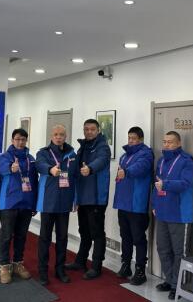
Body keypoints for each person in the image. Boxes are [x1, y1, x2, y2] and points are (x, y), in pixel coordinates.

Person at [152, 131, 193, 300]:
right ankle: (170, 280)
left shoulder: (187, 161)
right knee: (163, 248)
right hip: (162, 211)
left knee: (179, 252)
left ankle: (179, 286)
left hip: (179, 213)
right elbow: (156, 184)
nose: (166, 145)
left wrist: (166, 184)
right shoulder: (161, 160)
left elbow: (186, 183)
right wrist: (154, 204)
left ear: (178, 143)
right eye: (164, 142)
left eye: (170, 142)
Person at [65, 119, 111, 280]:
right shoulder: (83, 146)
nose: (89, 132)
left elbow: (101, 161)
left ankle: (96, 266)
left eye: (92, 129)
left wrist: (90, 168)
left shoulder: (103, 146)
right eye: (86, 129)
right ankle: (80, 261)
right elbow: (74, 167)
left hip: (96, 198)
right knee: (84, 231)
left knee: (97, 233)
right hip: (83, 197)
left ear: (98, 130)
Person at [35, 125, 78, 285]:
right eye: (55, 134)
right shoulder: (43, 153)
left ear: (65, 136)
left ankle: (60, 269)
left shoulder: (72, 154)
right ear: (51, 136)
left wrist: (75, 199)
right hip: (48, 201)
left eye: (61, 134)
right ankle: (43, 271)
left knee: (62, 238)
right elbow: (39, 165)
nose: (58, 137)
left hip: (64, 202)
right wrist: (50, 169)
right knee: (45, 238)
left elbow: (75, 178)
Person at [113, 126, 154, 285]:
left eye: (134, 138)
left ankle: (140, 270)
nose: (130, 141)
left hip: (137, 204)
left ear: (141, 139)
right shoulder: (124, 156)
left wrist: (127, 172)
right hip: (123, 203)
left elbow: (140, 168)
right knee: (125, 236)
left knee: (138, 238)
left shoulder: (146, 154)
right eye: (129, 138)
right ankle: (126, 265)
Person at [0, 128, 38, 284]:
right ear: (12, 140)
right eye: (17, 139)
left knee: (21, 235)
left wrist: (34, 203)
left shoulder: (31, 159)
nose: (20, 142)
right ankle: (4, 266)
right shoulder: (5, 157)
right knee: (6, 235)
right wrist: (10, 168)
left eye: (23, 140)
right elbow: (0, 170)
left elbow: (34, 182)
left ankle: (18, 263)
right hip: (9, 202)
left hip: (26, 203)